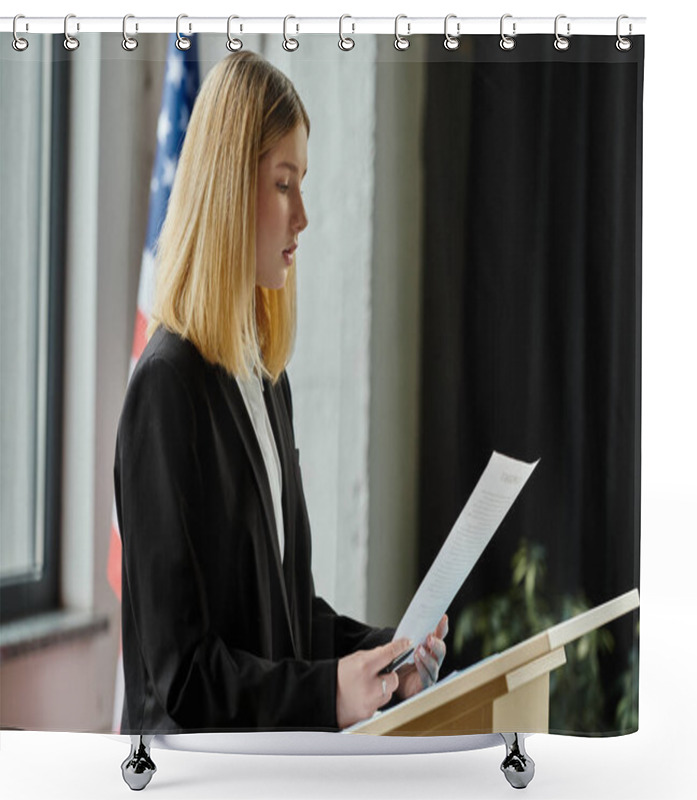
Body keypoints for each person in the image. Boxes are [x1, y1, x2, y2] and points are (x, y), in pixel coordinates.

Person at [114, 50, 447, 734]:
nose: (303, 217)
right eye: (284, 184)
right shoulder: (166, 391)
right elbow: (183, 676)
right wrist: (326, 694)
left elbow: (284, 617)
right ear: (232, 189)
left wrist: (385, 656)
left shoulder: (265, 380)